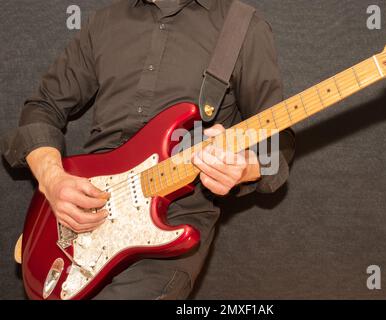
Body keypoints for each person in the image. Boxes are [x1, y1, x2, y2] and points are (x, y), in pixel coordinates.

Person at [0, 0, 295, 299]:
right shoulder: (106, 21)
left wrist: (245, 167)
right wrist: (52, 180)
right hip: (82, 215)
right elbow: (43, 107)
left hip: (170, 225)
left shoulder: (242, 27)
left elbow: (276, 145)